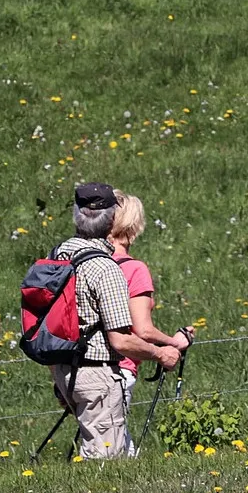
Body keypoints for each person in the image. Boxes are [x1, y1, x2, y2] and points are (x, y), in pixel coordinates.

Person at [50, 183, 180, 459]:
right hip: (100, 370)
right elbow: (125, 337)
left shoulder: (59, 255)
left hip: (63, 367)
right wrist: (163, 351)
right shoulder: (107, 267)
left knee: (120, 454)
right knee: (105, 464)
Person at [107, 190, 196, 453]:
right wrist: (175, 342)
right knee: (114, 452)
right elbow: (142, 329)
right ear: (133, 229)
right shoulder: (134, 269)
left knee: (105, 443)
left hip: (81, 371)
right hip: (118, 369)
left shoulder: (89, 264)